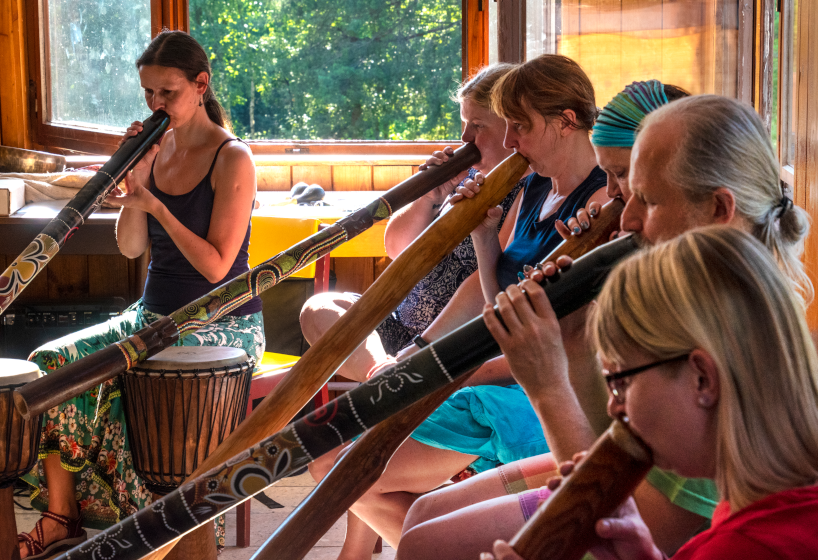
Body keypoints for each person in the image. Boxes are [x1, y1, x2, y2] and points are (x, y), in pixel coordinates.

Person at [397, 93, 812, 559]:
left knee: (425, 544)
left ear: (718, 209)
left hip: (641, 494)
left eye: (644, 198)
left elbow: (636, 513)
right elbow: (617, 438)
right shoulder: (696, 291)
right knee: (423, 517)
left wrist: (549, 384)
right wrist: (574, 339)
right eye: (618, 183)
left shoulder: (721, 323)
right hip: (630, 477)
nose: (625, 214)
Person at [309, 54, 610, 558]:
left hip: (527, 390)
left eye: (520, 126)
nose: (510, 141)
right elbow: (491, 297)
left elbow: (560, 342)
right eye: (506, 127)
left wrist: (442, 372)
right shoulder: (534, 184)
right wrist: (482, 237)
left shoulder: (600, 205)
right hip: (491, 368)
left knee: (340, 469)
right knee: (340, 468)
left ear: (566, 122)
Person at [18, 30, 263, 559]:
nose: (155, 104)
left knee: (137, 374)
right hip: (153, 316)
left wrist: (156, 207)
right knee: (51, 362)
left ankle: (154, 536)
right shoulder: (158, 147)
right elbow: (131, 248)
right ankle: (61, 516)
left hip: (221, 322)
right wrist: (136, 185)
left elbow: (217, 266)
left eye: (167, 93)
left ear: (201, 85)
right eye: (148, 93)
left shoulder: (232, 157)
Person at [483, 226, 818, 560]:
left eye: (621, 381)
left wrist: (547, 390)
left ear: (702, 379)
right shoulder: (772, 502)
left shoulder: (743, 547)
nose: (614, 407)